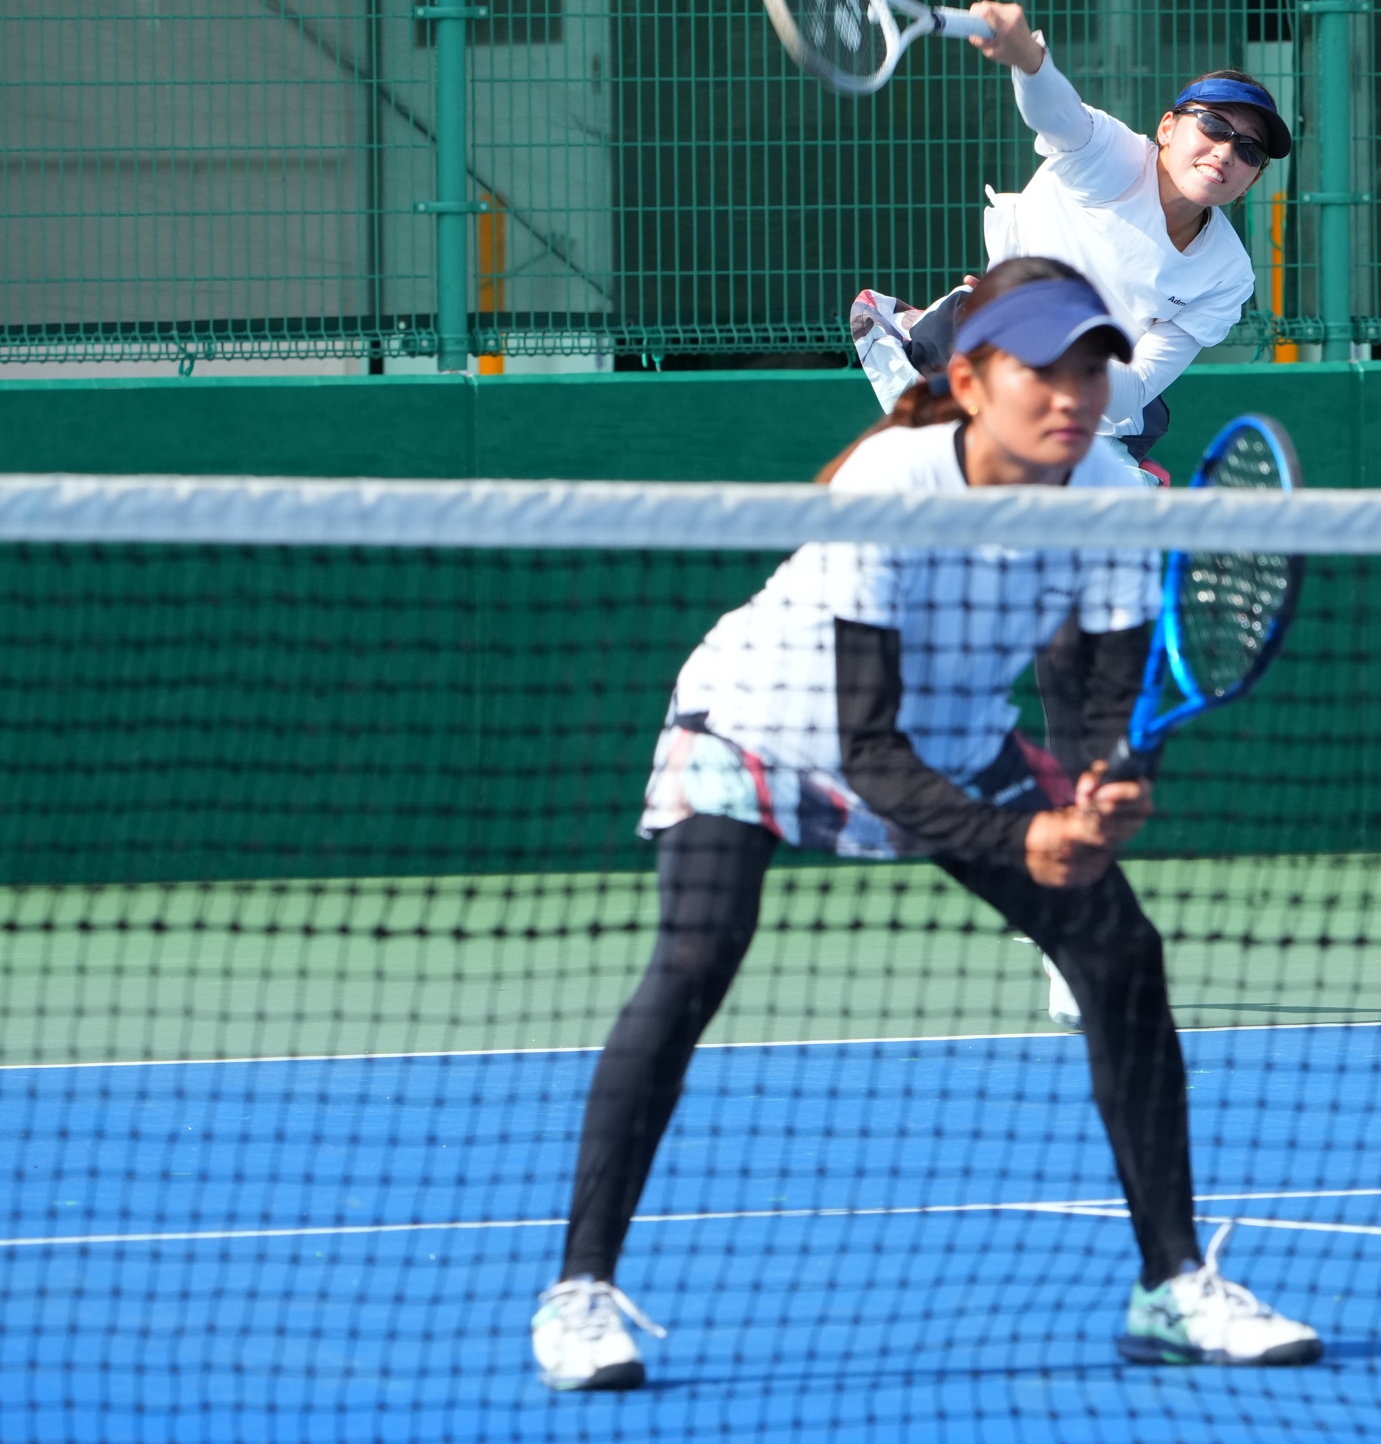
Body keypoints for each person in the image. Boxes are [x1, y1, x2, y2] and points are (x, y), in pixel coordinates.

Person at [531, 259, 1323, 1392]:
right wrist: (1021, 839)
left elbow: (1106, 697)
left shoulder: (1109, 496)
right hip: (760, 725)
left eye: (1092, 372)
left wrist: (1112, 780)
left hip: (950, 738)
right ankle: (579, 1293)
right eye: (1045, 371)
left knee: (1119, 952)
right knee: (697, 956)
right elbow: (868, 749)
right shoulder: (891, 479)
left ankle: (1172, 1287)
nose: (1075, 397)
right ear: (971, 381)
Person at [851, 3, 1292, 482]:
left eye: (1250, 149)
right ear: (1167, 127)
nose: (1226, 151)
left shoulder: (1228, 275)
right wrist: (1028, 58)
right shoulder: (1111, 157)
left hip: (1092, 418)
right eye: (1214, 125)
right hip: (977, 354)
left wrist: (1040, 335)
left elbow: (1136, 389)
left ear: (1253, 178)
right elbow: (1058, 114)